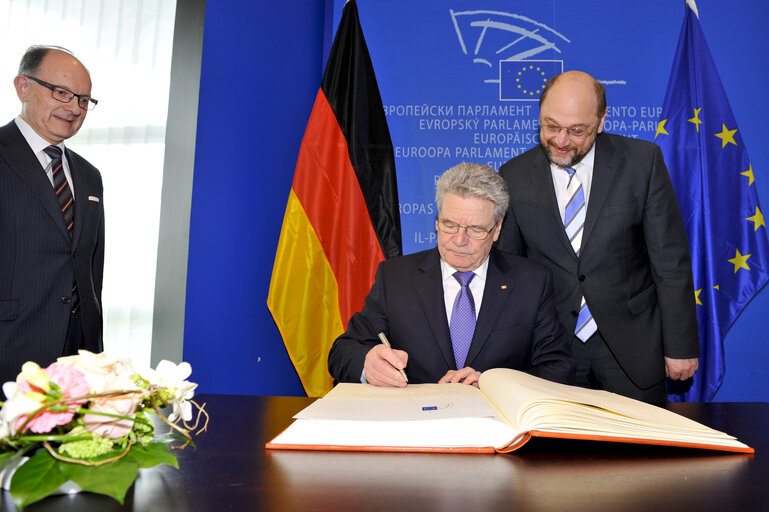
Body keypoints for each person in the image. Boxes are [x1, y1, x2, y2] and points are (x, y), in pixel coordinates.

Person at [497, 70, 699, 403]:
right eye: (551, 126)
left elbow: (671, 263)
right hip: (550, 349)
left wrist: (680, 346)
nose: (561, 141)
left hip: (632, 348)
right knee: (557, 454)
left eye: (577, 131)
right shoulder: (514, 174)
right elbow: (511, 271)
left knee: (640, 452)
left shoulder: (641, 163)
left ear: (601, 121)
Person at [328, 162, 574, 387]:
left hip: (496, 427)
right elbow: (343, 351)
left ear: (497, 229)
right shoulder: (395, 278)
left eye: (475, 229)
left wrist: (495, 383)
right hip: (416, 424)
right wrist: (367, 363)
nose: (459, 240)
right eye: (449, 225)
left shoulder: (530, 282)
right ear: (436, 222)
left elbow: (558, 366)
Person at [0, 45, 104, 386]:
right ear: (23, 87)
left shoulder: (89, 175)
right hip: (10, 352)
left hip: (78, 360)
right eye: (61, 93)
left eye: (84, 100)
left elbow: (90, 270)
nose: (74, 108)